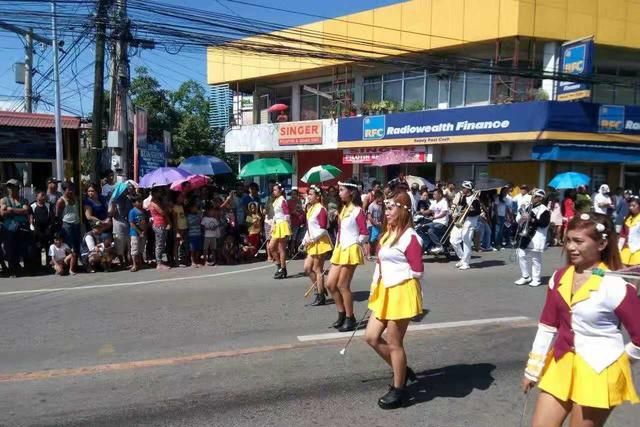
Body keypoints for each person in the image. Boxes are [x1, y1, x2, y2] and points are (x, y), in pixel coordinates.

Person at [522, 212, 640, 427]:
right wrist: (533, 368)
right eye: (568, 240)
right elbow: (548, 326)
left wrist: (623, 359)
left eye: (578, 241)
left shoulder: (616, 285)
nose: (570, 247)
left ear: (602, 243)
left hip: (599, 368)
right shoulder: (559, 278)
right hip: (561, 363)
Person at [365, 191, 423, 409]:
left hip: (401, 291)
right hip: (384, 291)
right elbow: (379, 264)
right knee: (370, 337)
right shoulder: (387, 234)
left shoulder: (411, 238)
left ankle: (399, 389)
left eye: (390, 208)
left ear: (403, 210)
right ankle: (402, 369)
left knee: (394, 343)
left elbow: (417, 271)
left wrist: (394, 278)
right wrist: (374, 288)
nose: (386, 212)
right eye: (386, 208)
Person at [326, 180, 368, 332]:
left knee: (342, 285)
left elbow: (364, 232)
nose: (339, 192)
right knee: (330, 284)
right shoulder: (342, 208)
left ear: (351, 192)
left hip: (350, 249)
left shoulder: (357, 210)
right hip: (340, 249)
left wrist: (355, 244)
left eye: (342, 190)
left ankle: (350, 318)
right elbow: (340, 232)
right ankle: (341, 313)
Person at [302, 185, 333, 306]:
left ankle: (320, 296)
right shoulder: (311, 208)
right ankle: (320, 287)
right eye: (308, 194)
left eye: (311, 194)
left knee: (317, 269)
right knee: (307, 268)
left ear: (318, 196)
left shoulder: (321, 209)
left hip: (320, 242)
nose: (308, 196)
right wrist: (304, 241)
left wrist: (312, 239)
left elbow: (323, 229)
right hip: (312, 242)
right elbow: (310, 228)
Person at [515, 189, 550, 287]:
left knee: (535, 259)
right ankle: (525, 276)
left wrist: (532, 219)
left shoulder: (544, 210)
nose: (532, 198)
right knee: (521, 254)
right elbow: (520, 220)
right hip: (526, 234)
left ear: (540, 198)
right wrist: (521, 216)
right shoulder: (528, 207)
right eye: (532, 196)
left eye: (534, 197)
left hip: (537, 236)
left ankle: (536, 279)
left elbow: (544, 224)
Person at [0, 179, 30, 277]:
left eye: (12, 187)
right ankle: (12, 270)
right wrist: (19, 210)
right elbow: (2, 213)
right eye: (9, 187)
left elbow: (26, 211)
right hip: (9, 229)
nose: (10, 189)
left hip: (22, 228)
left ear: (17, 188)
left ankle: (25, 269)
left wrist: (11, 209)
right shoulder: (3, 200)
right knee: (10, 249)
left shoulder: (24, 200)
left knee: (23, 248)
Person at [449, 181, 480, 270]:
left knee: (466, 243)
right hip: (461, 221)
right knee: (453, 240)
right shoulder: (463, 197)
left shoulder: (475, 200)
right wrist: (457, 214)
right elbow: (460, 206)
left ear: (468, 188)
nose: (462, 189)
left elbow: (477, 212)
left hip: (470, 223)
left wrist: (468, 212)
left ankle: (466, 263)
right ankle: (462, 258)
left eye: (464, 188)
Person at [269, 183, 292, 279]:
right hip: (276, 224)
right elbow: (275, 214)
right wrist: (272, 224)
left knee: (281, 249)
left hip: (282, 224)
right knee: (271, 247)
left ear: (280, 190)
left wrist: (288, 226)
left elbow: (287, 214)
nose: (274, 191)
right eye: (273, 190)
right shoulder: (276, 200)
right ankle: (279, 266)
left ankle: (283, 269)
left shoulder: (282, 200)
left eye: (275, 190)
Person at [109, 185, 133, 268]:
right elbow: (111, 214)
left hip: (128, 226)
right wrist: (113, 204)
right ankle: (121, 262)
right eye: (125, 190)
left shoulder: (128, 199)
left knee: (128, 245)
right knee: (119, 246)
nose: (126, 191)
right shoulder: (114, 200)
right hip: (118, 227)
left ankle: (127, 260)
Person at [30, 190, 55, 270]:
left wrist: (49, 229)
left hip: (47, 230)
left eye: (44, 195)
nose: (44, 197)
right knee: (38, 249)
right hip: (37, 231)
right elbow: (31, 219)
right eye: (42, 195)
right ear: (37, 197)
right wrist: (35, 230)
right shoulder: (32, 206)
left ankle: (49, 266)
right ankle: (38, 267)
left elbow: (52, 218)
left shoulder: (48, 205)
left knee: (48, 249)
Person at [56, 182, 81, 256]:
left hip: (77, 223)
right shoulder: (61, 200)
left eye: (73, 189)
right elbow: (58, 215)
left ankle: (75, 264)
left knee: (77, 244)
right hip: (67, 225)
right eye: (69, 189)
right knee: (69, 245)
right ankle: (68, 264)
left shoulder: (76, 198)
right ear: (64, 190)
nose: (71, 191)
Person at [149, 188, 171, 271]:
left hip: (162, 224)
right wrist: (166, 208)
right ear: (154, 193)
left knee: (161, 244)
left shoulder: (157, 201)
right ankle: (159, 263)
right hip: (158, 225)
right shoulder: (154, 202)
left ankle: (160, 261)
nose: (160, 193)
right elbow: (162, 212)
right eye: (159, 192)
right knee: (159, 244)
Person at [425, 188, 450, 254]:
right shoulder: (434, 202)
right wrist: (420, 213)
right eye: (433, 194)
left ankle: (439, 246)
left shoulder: (444, 202)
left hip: (442, 223)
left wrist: (435, 217)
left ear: (440, 195)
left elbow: (444, 213)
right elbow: (429, 210)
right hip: (435, 222)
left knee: (430, 230)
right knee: (423, 227)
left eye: (435, 194)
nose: (433, 195)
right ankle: (429, 245)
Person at [619, 197, 640, 267]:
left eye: (633, 206)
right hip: (626, 249)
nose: (631, 208)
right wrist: (619, 247)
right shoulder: (628, 219)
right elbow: (623, 235)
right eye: (630, 206)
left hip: (638, 250)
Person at [128, 196, 147, 272]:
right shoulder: (132, 211)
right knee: (134, 249)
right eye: (138, 201)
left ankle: (140, 263)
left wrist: (144, 231)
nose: (140, 202)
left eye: (141, 201)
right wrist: (139, 232)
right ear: (133, 203)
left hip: (143, 232)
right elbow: (132, 223)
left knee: (141, 249)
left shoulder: (143, 211)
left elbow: (146, 222)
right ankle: (134, 264)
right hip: (135, 233)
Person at [366, 190, 384, 260]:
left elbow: (381, 215)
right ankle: (368, 255)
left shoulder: (380, 205)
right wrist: (375, 223)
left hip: (378, 225)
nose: (382, 199)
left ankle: (377, 253)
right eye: (381, 198)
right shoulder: (371, 206)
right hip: (372, 225)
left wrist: (380, 222)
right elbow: (369, 217)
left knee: (377, 239)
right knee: (371, 240)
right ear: (377, 197)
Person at [171, 192, 188, 267]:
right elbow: (174, 220)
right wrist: (177, 231)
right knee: (177, 244)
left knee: (183, 244)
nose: (182, 198)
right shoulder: (174, 207)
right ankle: (176, 260)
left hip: (184, 227)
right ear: (176, 198)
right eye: (180, 196)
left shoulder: (182, 206)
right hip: (178, 228)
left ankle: (183, 259)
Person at [186, 201, 203, 268]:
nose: (196, 208)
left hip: (198, 234)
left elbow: (201, 222)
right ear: (191, 208)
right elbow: (189, 224)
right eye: (195, 207)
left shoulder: (198, 215)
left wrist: (200, 215)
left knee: (198, 249)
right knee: (192, 249)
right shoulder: (188, 216)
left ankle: (197, 260)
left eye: (196, 207)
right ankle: (192, 262)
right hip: (192, 235)